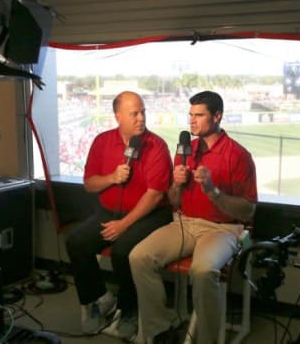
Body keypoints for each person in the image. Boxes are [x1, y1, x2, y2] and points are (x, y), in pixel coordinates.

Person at [130, 90, 257, 344]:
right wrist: (176, 186)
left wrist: (213, 191)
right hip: (185, 222)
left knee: (203, 270)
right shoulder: (186, 150)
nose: (192, 121)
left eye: (199, 115)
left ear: (217, 116)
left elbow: (247, 211)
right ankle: (161, 330)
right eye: (190, 115)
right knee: (139, 257)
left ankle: (206, 340)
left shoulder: (238, 155)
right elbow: (175, 201)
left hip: (223, 229)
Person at [65, 91, 173, 338]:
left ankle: (129, 309)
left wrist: (123, 224)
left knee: (123, 250)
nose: (140, 118)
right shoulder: (102, 142)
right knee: (76, 242)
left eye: (143, 112)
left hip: (150, 215)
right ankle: (98, 299)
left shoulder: (156, 145)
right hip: (108, 211)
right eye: (134, 113)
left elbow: (155, 195)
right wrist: (112, 178)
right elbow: (90, 184)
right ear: (118, 116)